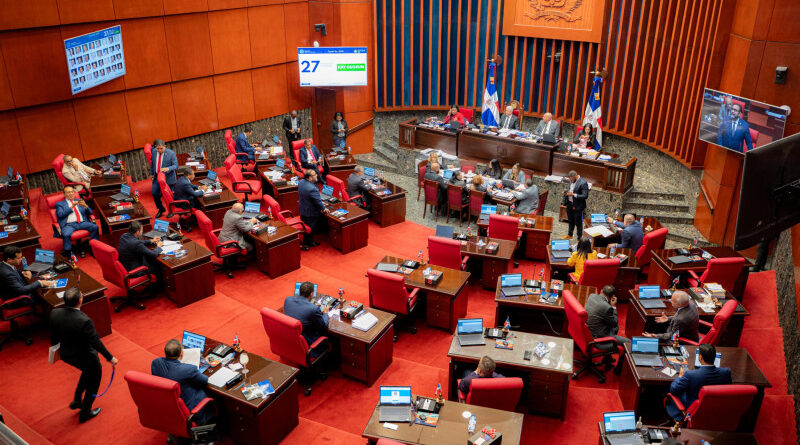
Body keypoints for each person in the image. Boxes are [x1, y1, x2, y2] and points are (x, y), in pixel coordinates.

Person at [50, 287, 117, 423]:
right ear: (80, 301)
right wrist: (110, 358)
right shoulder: (84, 321)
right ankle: (85, 412)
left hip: (66, 354)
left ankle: (77, 400)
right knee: (94, 382)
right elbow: (96, 342)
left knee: (86, 373)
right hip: (87, 358)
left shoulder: (54, 313)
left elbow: (54, 335)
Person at [151, 339, 213, 424]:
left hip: (168, 406)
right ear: (181, 353)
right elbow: (204, 380)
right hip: (191, 410)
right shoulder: (188, 369)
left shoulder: (156, 363)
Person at [666, 343, 731, 421]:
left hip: (695, 410)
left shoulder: (690, 375)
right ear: (714, 357)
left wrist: (680, 377)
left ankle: (678, 418)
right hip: (716, 410)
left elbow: (674, 390)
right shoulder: (726, 372)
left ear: (700, 357)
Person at [284, 281, 329, 352]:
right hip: (308, 343)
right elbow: (323, 327)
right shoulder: (313, 309)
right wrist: (326, 313)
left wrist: (311, 306)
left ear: (300, 291)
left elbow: (299, 309)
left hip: (291, 339)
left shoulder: (288, 300)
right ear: (311, 294)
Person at [55, 186, 99, 257]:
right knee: (66, 234)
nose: (71, 194)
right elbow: (60, 215)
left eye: (72, 192)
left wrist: (85, 206)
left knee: (95, 227)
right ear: (64, 194)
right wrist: (72, 207)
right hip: (69, 225)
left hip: (82, 222)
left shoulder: (79, 200)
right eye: (68, 192)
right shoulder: (59, 204)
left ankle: (93, 248)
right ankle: (69, 253)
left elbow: (90, 212)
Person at [298, 169, 329, 250]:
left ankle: (307, 238)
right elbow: (318, 202)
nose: (317, 175)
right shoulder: (312, 188)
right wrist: (324, 208)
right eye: (315, 175)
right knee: (311, 227)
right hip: (310, 212)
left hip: (303, 208)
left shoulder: (301, 182)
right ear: (310, 178)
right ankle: (310, 242)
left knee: (306, 225)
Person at [150, 139, 178, 218]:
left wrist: (168, 168)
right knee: (154, 193)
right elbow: (152, 163)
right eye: (157, 148)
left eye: (161, 148)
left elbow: (176, 166)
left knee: (169, 196)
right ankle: (161, 208)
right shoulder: (154, 152)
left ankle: (171, 210)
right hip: (157, 176)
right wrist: (151, 173)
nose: (159, 150)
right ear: (155, 147)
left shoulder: (171, 153)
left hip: (168, 178)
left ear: (165, 146)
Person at [562, 170, 589, 240]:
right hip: (569, 204)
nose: (570, 181)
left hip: (578, 206)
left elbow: (585, 196)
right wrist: (566, 192)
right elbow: (571, 189)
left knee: (578, 223)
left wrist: (573, 194)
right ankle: (570, 235)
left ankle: (579, 238)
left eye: (571, 179)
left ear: (574, 176)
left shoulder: (583, 183)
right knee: (570, 220)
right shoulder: (571, 180)